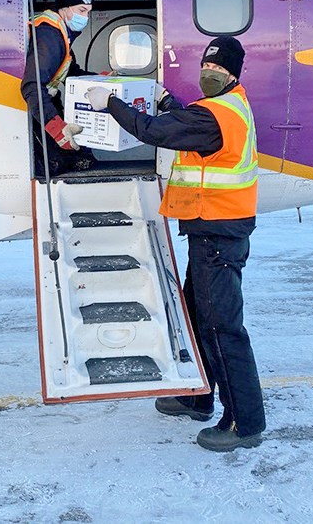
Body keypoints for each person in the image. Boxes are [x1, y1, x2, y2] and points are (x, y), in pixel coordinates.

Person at [85, 36, 265, 452]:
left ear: (233, 74)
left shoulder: (214, 115)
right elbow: (188, 125)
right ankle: (198, 397)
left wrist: (108, 103)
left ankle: (245, 422)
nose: (210, 73)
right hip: (212, 232)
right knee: (198, 317)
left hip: (219, 234)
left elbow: (151, 131)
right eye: (207, 66)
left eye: (218, 69)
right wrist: (168, 103)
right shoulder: (227, 107)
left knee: (222, 328)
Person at [21, 0, 100, 176]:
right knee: (56, 164)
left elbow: (70, 71)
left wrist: (103, 79)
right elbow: (32, 85)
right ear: (64, 8)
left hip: (48, 102)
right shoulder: (49, 35)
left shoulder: (61, 33)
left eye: (88, 12)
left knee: (82, 158)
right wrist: (56, 128)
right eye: (81, 11)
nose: (85, 17)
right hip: (38, 106)